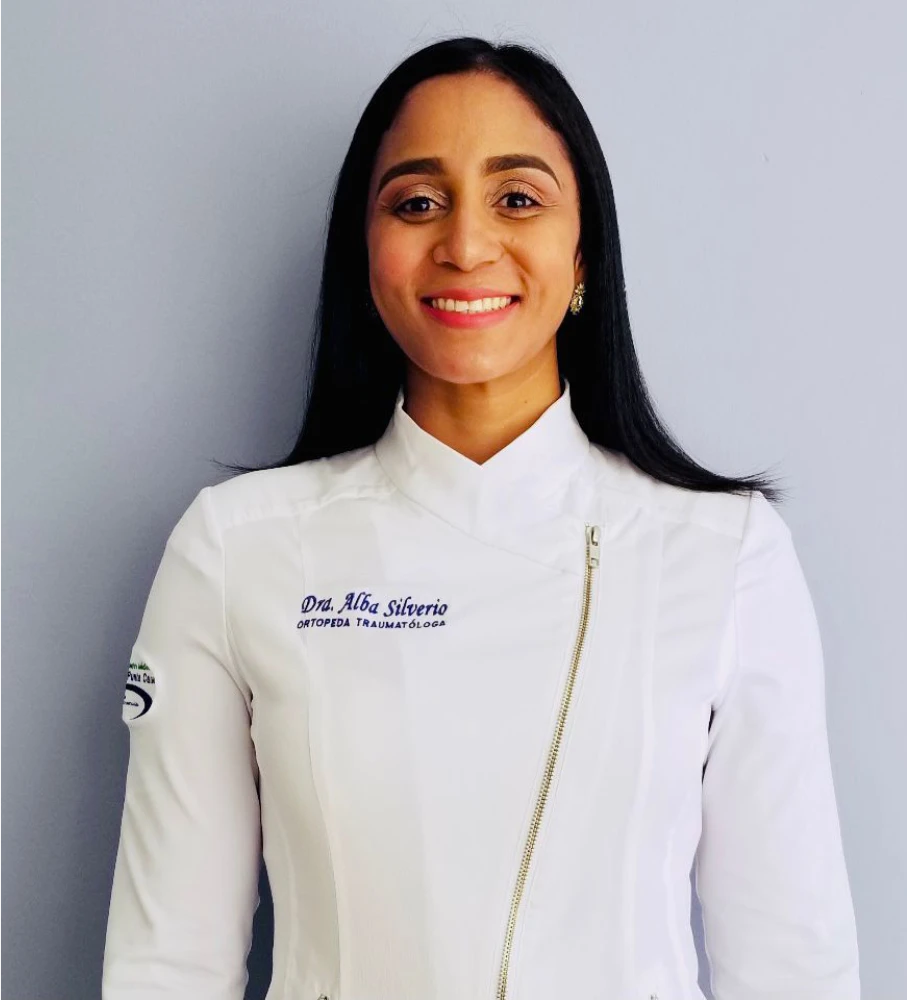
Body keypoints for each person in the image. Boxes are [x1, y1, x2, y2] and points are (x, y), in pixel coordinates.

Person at [102, 35, 860, 1000]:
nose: (465, 245)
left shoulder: (723, 554)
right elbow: (167, 964)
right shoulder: (237, 548)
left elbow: (794, 966)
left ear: (582, 255)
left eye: (518, 199)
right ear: (365, 255)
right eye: (417, 203)